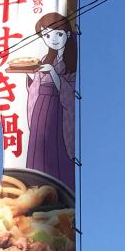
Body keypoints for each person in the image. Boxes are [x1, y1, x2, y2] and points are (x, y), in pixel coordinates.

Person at [25, 12, 76, 191]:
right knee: (38, 143)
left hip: (57, 108)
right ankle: (33, 188)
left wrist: (53, 73)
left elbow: (69, 89)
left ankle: (56, 190)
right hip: (41, 104)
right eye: (47, 35)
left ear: (68, 35)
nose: (52, 39)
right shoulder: (48, 58)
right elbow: (35, 85)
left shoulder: (69, 60)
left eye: (58, 34)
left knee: (55, 144)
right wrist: (31, 75)